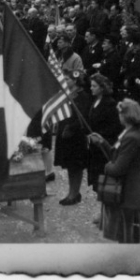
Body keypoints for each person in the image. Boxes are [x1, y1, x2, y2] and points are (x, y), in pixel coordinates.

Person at [88, 98, 140, 243]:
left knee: (127, 238)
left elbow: (118, 168)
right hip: (124, 192)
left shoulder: (131, 137)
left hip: (127, 193)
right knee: (124, 237)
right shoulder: (129, 132)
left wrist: (106, 167)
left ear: (126, 116)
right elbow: (116, 155)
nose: (118, 116)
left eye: (120, 114)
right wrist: (103, 142)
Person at [52, 70, 91, 205]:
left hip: (76, 135)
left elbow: (83, 117)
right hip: (65, 133)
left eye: (67, 79)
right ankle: (71, 192)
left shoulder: (83, 96)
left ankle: (75, 193)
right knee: (69, 166)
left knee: (76, 166)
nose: (65, 81)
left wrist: (71, 128)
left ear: (75, 80)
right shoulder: (66, 95)